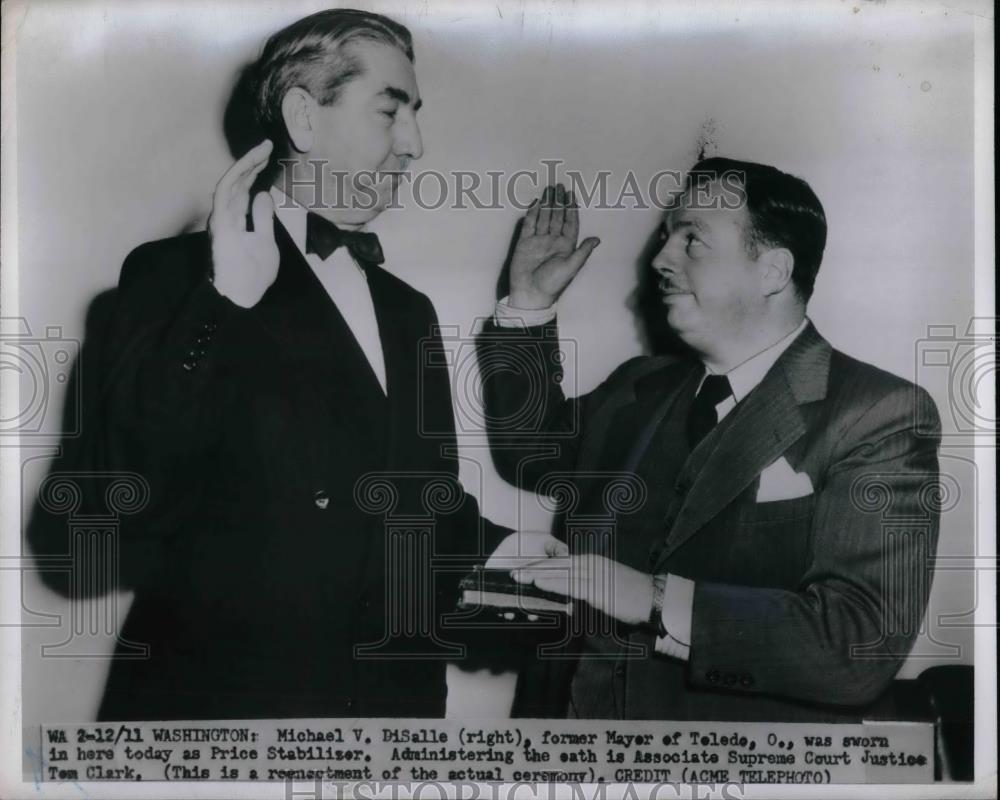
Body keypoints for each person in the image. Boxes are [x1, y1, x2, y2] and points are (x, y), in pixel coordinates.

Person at [28, 8, 520, 720]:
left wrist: (521, 552)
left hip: (388, 721)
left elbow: (415, 507)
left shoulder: (406, 310)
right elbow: (109, 507)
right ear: (304, 118)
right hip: (224, 720)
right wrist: (224, 301)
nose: (416, 145)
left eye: (415, 116)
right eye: (391, 113)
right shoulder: (179, 277)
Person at [478, 159, 942, 720]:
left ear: (772, 271)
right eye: (666, 235)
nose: (660, 260)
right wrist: (527, 302)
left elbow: (857, 646)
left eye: (692, 239)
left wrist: (654, 599)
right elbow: (531, 456)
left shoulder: (880, 413)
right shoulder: (638, 384)